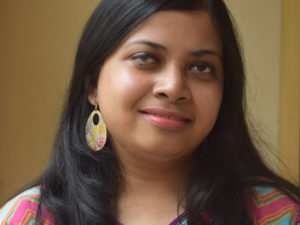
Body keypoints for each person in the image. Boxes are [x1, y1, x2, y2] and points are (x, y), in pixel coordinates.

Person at [0, 0, 299, 224]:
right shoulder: (30, 217)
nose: (173, 87)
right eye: (146, 58)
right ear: (92, 85)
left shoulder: (277, 216)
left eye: (201, 67)